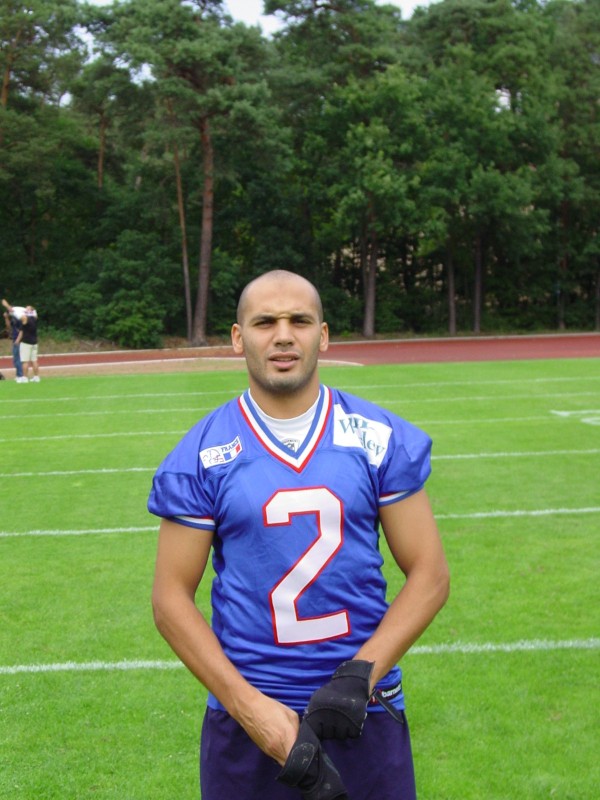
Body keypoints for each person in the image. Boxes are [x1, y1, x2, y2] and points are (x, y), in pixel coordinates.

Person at [147, 270, 450, 800]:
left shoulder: (378, 438)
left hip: (365, 706)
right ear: (238, 337)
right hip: (251, 716)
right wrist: (249, 708)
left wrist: (360, 675)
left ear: (323, 335)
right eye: (265, 322)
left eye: (300, 321)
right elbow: (170, 598)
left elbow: (431, 574)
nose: (283, 336)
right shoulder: (202, 454)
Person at [15, 307, 40, 382]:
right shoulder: (34, 319)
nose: (25, 310)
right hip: (34, 342)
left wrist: (13, 310)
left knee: (25, 361)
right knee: (34, 360)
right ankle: (36, 377)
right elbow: (35, 315)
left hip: (26, 342)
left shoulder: (25, 319)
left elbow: (19, 316)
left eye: (27, 309)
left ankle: (25, 378)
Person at [3, 309, 26, 382]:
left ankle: (20, 376)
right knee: (16, 359)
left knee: (17, 359)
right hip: (15, 340)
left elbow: (21, 331)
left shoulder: (19, 319)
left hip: (18, 341)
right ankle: (19, 375)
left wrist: (18, 340)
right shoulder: (14, 318)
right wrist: (6, 318)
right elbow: (9, 326)